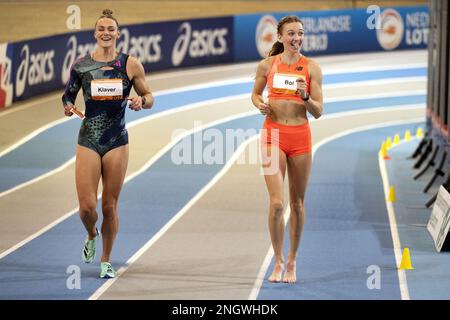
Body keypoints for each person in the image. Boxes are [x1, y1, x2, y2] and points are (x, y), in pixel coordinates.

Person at [62, 9, 154, 278]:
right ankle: (91, 233)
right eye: (101, 29)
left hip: (117, 140)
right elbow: (67, 97)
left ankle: (105, 259)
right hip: (88, 138)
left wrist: (141, 101)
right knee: (87, 208)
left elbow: (149, 96)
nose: (105, 33)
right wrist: (70, 108)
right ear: (94, 33)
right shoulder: (81, 66)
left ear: (117, 33)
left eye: (110, 29)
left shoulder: (130, 64)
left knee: (109, 206)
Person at [251, 15, 323, 283]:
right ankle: (278, 260)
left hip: (300, 137)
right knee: (277, 203)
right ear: (279, 37)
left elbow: (318, 111)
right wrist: (259, 104)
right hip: (273, 135)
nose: (297, 38)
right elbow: (255, 94)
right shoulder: (267, 65)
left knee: (298, 204)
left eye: (300, 33)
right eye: (291, 33)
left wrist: (305, 97)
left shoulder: (312, 68)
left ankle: (292, 259)